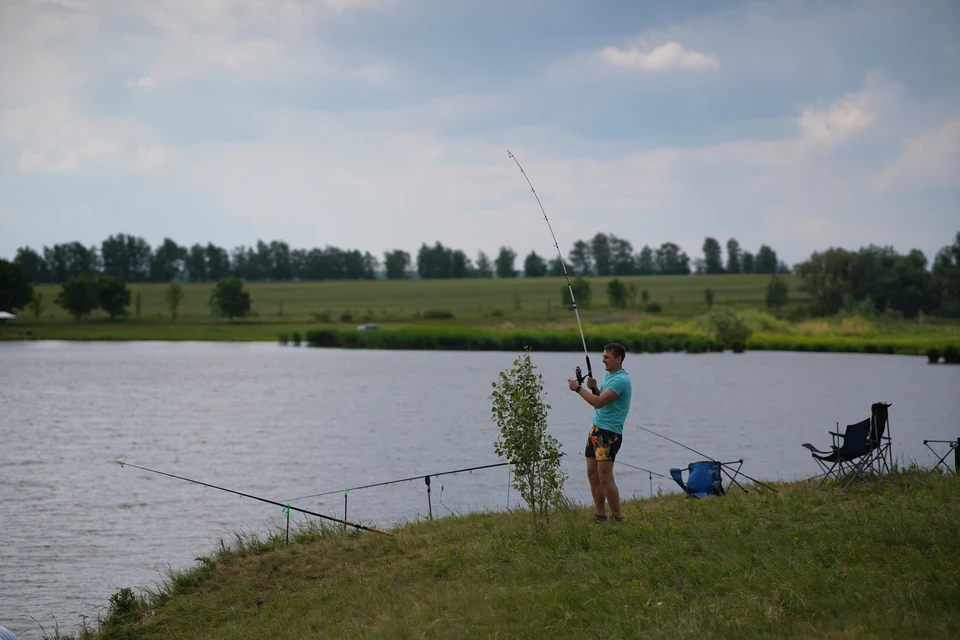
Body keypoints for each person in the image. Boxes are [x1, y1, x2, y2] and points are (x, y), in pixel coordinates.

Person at [567, 343, 632, 522]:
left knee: (605, 476)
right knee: (592, 473)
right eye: (603, 356)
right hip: (596, 429)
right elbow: (601, 396)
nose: (603, 360)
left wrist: (579, 389)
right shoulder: (609, 375)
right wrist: (595, 388)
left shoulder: (620, 380)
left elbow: (599, 403)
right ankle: (600, 515)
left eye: (606, 357)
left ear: (618, 359)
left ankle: (617, 517)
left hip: (608, 433)